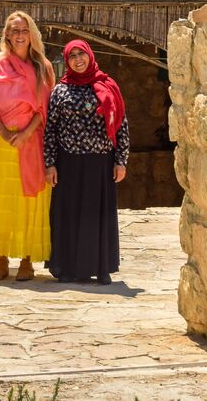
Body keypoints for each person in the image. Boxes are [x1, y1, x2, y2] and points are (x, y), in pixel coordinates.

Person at [0, 11, 55, 282]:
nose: (19, 35)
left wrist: (26, 133)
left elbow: (45, 106)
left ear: (31, 34)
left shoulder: (42, 65)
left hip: (31, 140)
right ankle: (1, 259)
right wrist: (5, 132)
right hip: (0, 139)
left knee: (29, 201)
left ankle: (26, 260)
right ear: (6, 34)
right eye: (14, 30)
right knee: (0, 200)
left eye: (24, 30)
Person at [44, 40, 129, 285]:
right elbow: (50, 129)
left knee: (97, 216)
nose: (78, 59)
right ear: (67, 60)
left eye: (82, 54)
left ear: (90, 56)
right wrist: (50, 164)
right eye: (72, 56)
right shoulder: (60, 91)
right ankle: (67, 268)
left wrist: (120, 161)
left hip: (100, 162)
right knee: (69, 216)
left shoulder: (108, 86)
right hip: (67, 162)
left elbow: (121, 124)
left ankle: (101, 267)